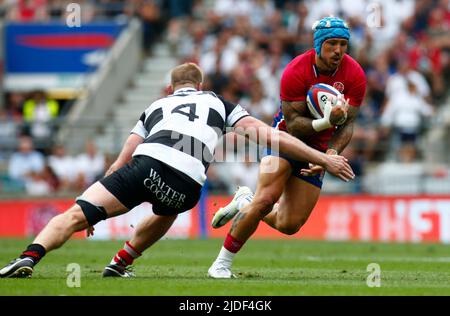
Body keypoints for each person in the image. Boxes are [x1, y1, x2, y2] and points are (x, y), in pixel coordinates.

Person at [0, 63, 354, 278]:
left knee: (75, 214)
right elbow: (271, 136)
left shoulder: (155, 105)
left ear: (171, 89)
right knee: (168, 208)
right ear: (199, 87)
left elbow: (121, 160)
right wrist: (324, 158)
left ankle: (29, 256)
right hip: (186, 184)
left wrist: (94, 210)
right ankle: (121, 262)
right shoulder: (217, 102)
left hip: (146, 163)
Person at [207, 16, 367, 278]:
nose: (338, 50)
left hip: (319, 150)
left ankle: (244, 200)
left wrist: (330, 154)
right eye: (331, 44)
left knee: (289, 224)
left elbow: (348, 125)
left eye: (343, 44)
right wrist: (327, 121)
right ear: (318, 45)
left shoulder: (355, 74)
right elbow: (293, 125)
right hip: (283, 142)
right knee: (265, 201)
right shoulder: (295, 70)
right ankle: (221, 265)